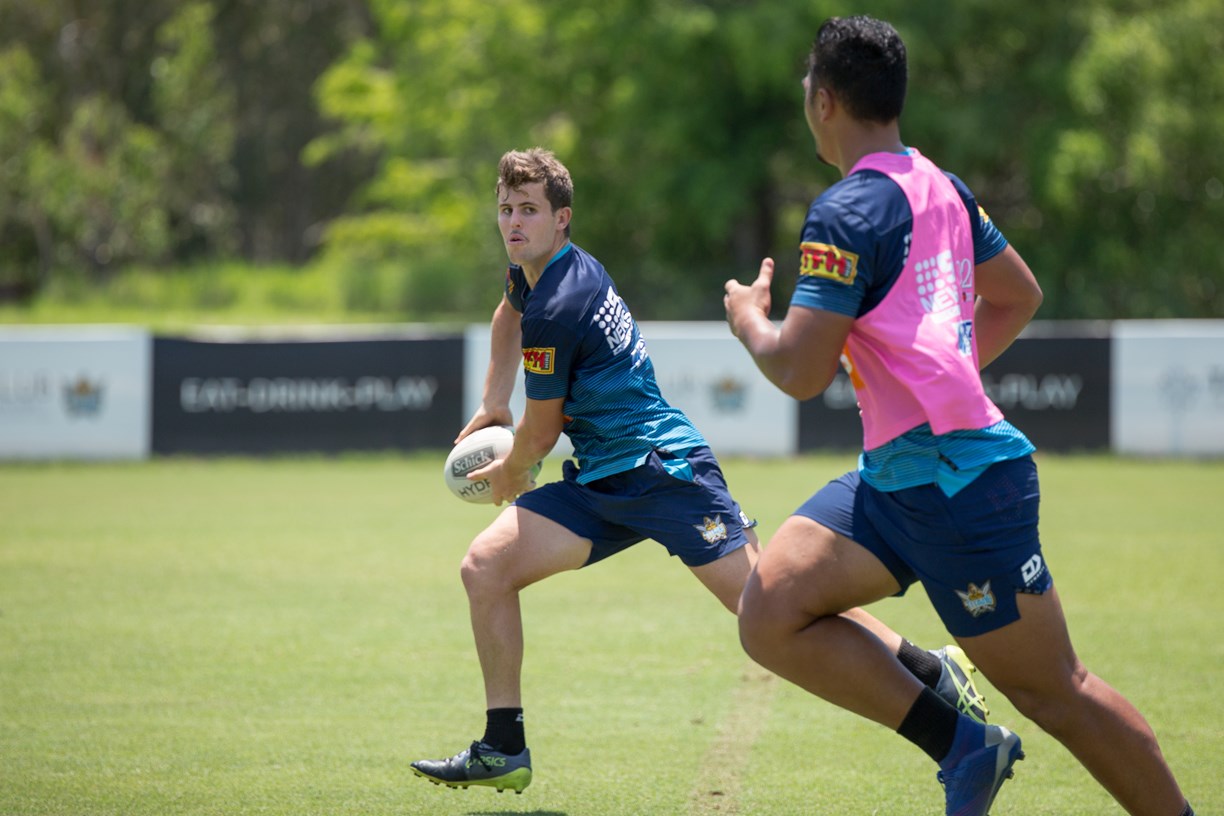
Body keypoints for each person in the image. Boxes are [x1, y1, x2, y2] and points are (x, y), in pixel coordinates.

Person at [410, 147, 992, 796]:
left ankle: (931, 672)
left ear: (562, 218)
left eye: (529, 210)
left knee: (768, 607)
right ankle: (503, 746)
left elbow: (539, 436)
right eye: (506, 210)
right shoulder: (536, 274)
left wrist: (510, 472)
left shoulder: (561, 301)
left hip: (665, 474)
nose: (514, 223)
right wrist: (494, 401)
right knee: (485, 568)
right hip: (602, 480)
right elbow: (506, 314)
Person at [723, 16, 1195, 816]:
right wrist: (942, 376)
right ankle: (965, 746)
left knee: (1056, 693)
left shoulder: (845, 211)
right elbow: (1017, 295)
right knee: (771, 609)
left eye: (808, 85)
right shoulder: (939, 184)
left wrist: (748, 322)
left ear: (824, 101)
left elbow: (799, 371)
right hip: (896, 479)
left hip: (962, 487)